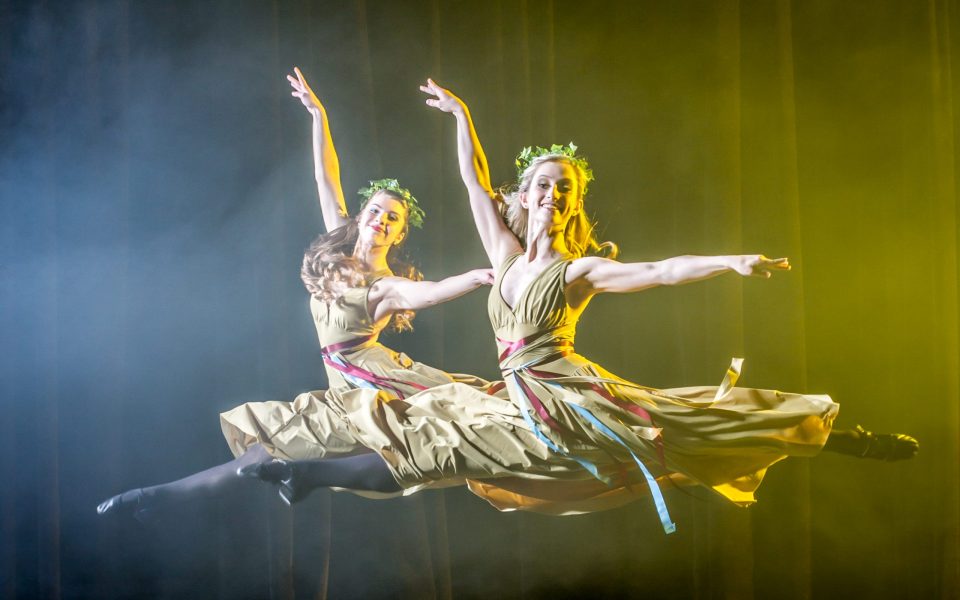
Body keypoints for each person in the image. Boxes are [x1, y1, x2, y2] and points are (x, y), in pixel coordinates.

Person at [414, 78, 917, 532]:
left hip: (573, 392)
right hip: (526, 396)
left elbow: (662, 270)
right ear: (525, 197)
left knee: (686, 424)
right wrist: (461, 115)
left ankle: (835, 436)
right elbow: (475, 181)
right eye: (544, 185)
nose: (554, 194)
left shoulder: (578, 271)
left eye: (565, 188)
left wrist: (730, 261)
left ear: (574, 204)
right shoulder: (503, 254)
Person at [95, 69, 505, 519]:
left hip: (375, 382)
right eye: (376, 211)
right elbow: (326, 178)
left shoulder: (387, 285)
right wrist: (318, 116)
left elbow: (432, 292)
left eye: (392, 219)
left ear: (399, 233)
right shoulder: (339, 248)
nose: (381, 221)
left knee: (411, 450)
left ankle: (290, 478)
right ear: (361, 216)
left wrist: (476, 277)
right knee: (260, 454)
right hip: (341, 385)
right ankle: (153, 497)